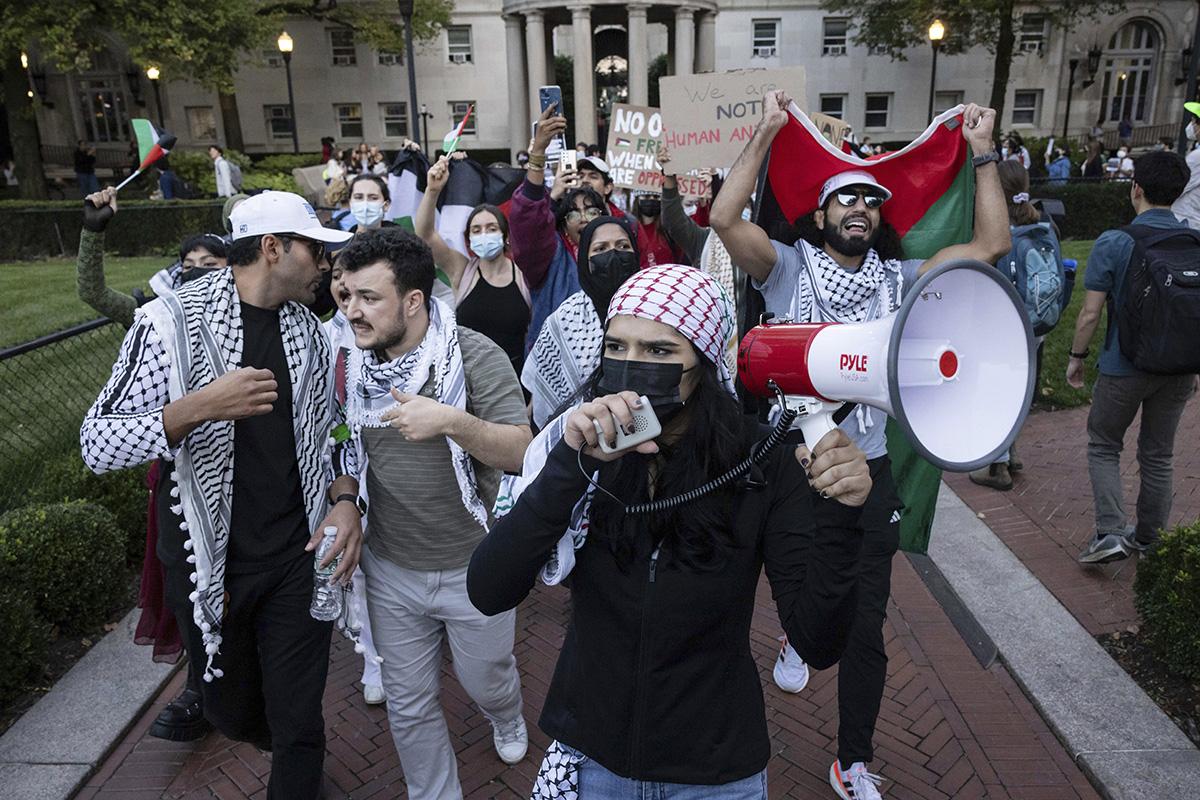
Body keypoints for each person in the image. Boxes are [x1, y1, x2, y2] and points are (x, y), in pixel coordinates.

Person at [468, 264, 873, 795]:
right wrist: (572, 465)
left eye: (660, 352)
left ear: (703, 363)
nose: (633, 366)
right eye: (617, 346)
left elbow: (817, 642)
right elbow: (489, 588)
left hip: (714, 771)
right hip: (592, 756)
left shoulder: (761, 462)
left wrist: (840, 516)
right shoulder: (578, 444)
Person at [711, 91, 1010, 800]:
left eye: (871, 201)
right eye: (844, 197)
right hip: (787, 467)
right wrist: (766, 132)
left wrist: (984, 152)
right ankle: (788, 639)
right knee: (752, 590)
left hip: (868, 473)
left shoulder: (899, 281)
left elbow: (991, 248)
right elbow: (725, 218)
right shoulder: (785, 265)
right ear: (819, 216)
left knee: (866, 624)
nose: (859, 208)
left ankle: (853, 758)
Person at [81, 191, 357, 800]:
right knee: (228, 709)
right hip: (211, 567)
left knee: (299, 721)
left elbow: (334, 428)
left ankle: (297, 772)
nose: (325, 264)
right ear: (272, 248)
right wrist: (196, 409)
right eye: (315, 249)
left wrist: (344, 495)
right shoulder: (166, 323)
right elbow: (97, 443)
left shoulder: (308, 334)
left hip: (297, 558)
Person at [333, 228, 532, 798]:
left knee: (486, 682)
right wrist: (346, 500)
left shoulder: (473, 354)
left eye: (370, 298)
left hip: (476, 565)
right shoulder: (347, 363)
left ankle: (506, 712)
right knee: (409, 704)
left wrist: (450, 421)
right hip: (390, 567)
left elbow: (522, 450)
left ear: (414, 301)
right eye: (346, 296)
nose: (353, 311)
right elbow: (339, 441)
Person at [77, 188, 230, 741]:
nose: (195, 276)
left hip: (238, 482)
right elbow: (93, 292)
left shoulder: (250, 321)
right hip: (175, 479)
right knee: (184, 582)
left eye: (209, 267)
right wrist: (94, 233)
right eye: (187, 267)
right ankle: (200, 685)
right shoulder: (154, 321)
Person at [1066, 151, 1199, 564]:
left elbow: (1089, 313)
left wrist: (1077, 357)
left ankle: (1109, 532)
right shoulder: (1194, 241)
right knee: (1158, 454)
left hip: (1124, 366)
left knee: (1104, 443)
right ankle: (1151, 541)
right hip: (1179, 367)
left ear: (1136, 188)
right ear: (1178, 194)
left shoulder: (1115, 241)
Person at [969, 160, 1060, 490]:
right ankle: (1013, 451)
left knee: (996, 391)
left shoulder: (998, 235)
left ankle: (998, 466)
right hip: (1037, 325)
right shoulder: (1043, 227)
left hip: (1006, 325)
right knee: (1018, 387)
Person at [323, 260, 386, 706]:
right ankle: (372, 661)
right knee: (356, 565)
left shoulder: (386, 331)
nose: (344, 285)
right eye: (337, 276)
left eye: (355, 276)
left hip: (389, 456)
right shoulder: (322, 336)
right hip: (344, 465)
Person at [509, 105, 613, 352]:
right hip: (554, 363)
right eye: (575, 212)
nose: (585, 218)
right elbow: (528, 220)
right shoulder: (549, 259)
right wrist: (538, 153)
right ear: (563, 224)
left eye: (592, 211)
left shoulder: (618, 252)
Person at [415, 155, 532, 374]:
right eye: (476, 230)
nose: (484, 234)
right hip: (468, 382)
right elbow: (425, 236)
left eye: (491, 228)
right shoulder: (462, 270)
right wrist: (432, 190)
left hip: (514, 382)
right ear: (468, 239)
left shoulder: (524, 275)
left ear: (506, 235)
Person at [522, 215, 640, 429]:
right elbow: (546, 397)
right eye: (600, 248)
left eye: (622, 245)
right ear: (585, 259)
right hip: (582, 440)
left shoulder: (656, 308)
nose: (612, 254)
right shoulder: (565, 318)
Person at [630, 191, 684, 268]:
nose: (651, 200)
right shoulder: (631, 229)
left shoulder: (669, 229)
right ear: (637, 200)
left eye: (656, 197)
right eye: (646, 196)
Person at [1171, 103, 1200, 229]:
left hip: (1187, 219)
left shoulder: (1197, 157)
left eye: (1193, 122)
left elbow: (1178, 184)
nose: (1191, 126)